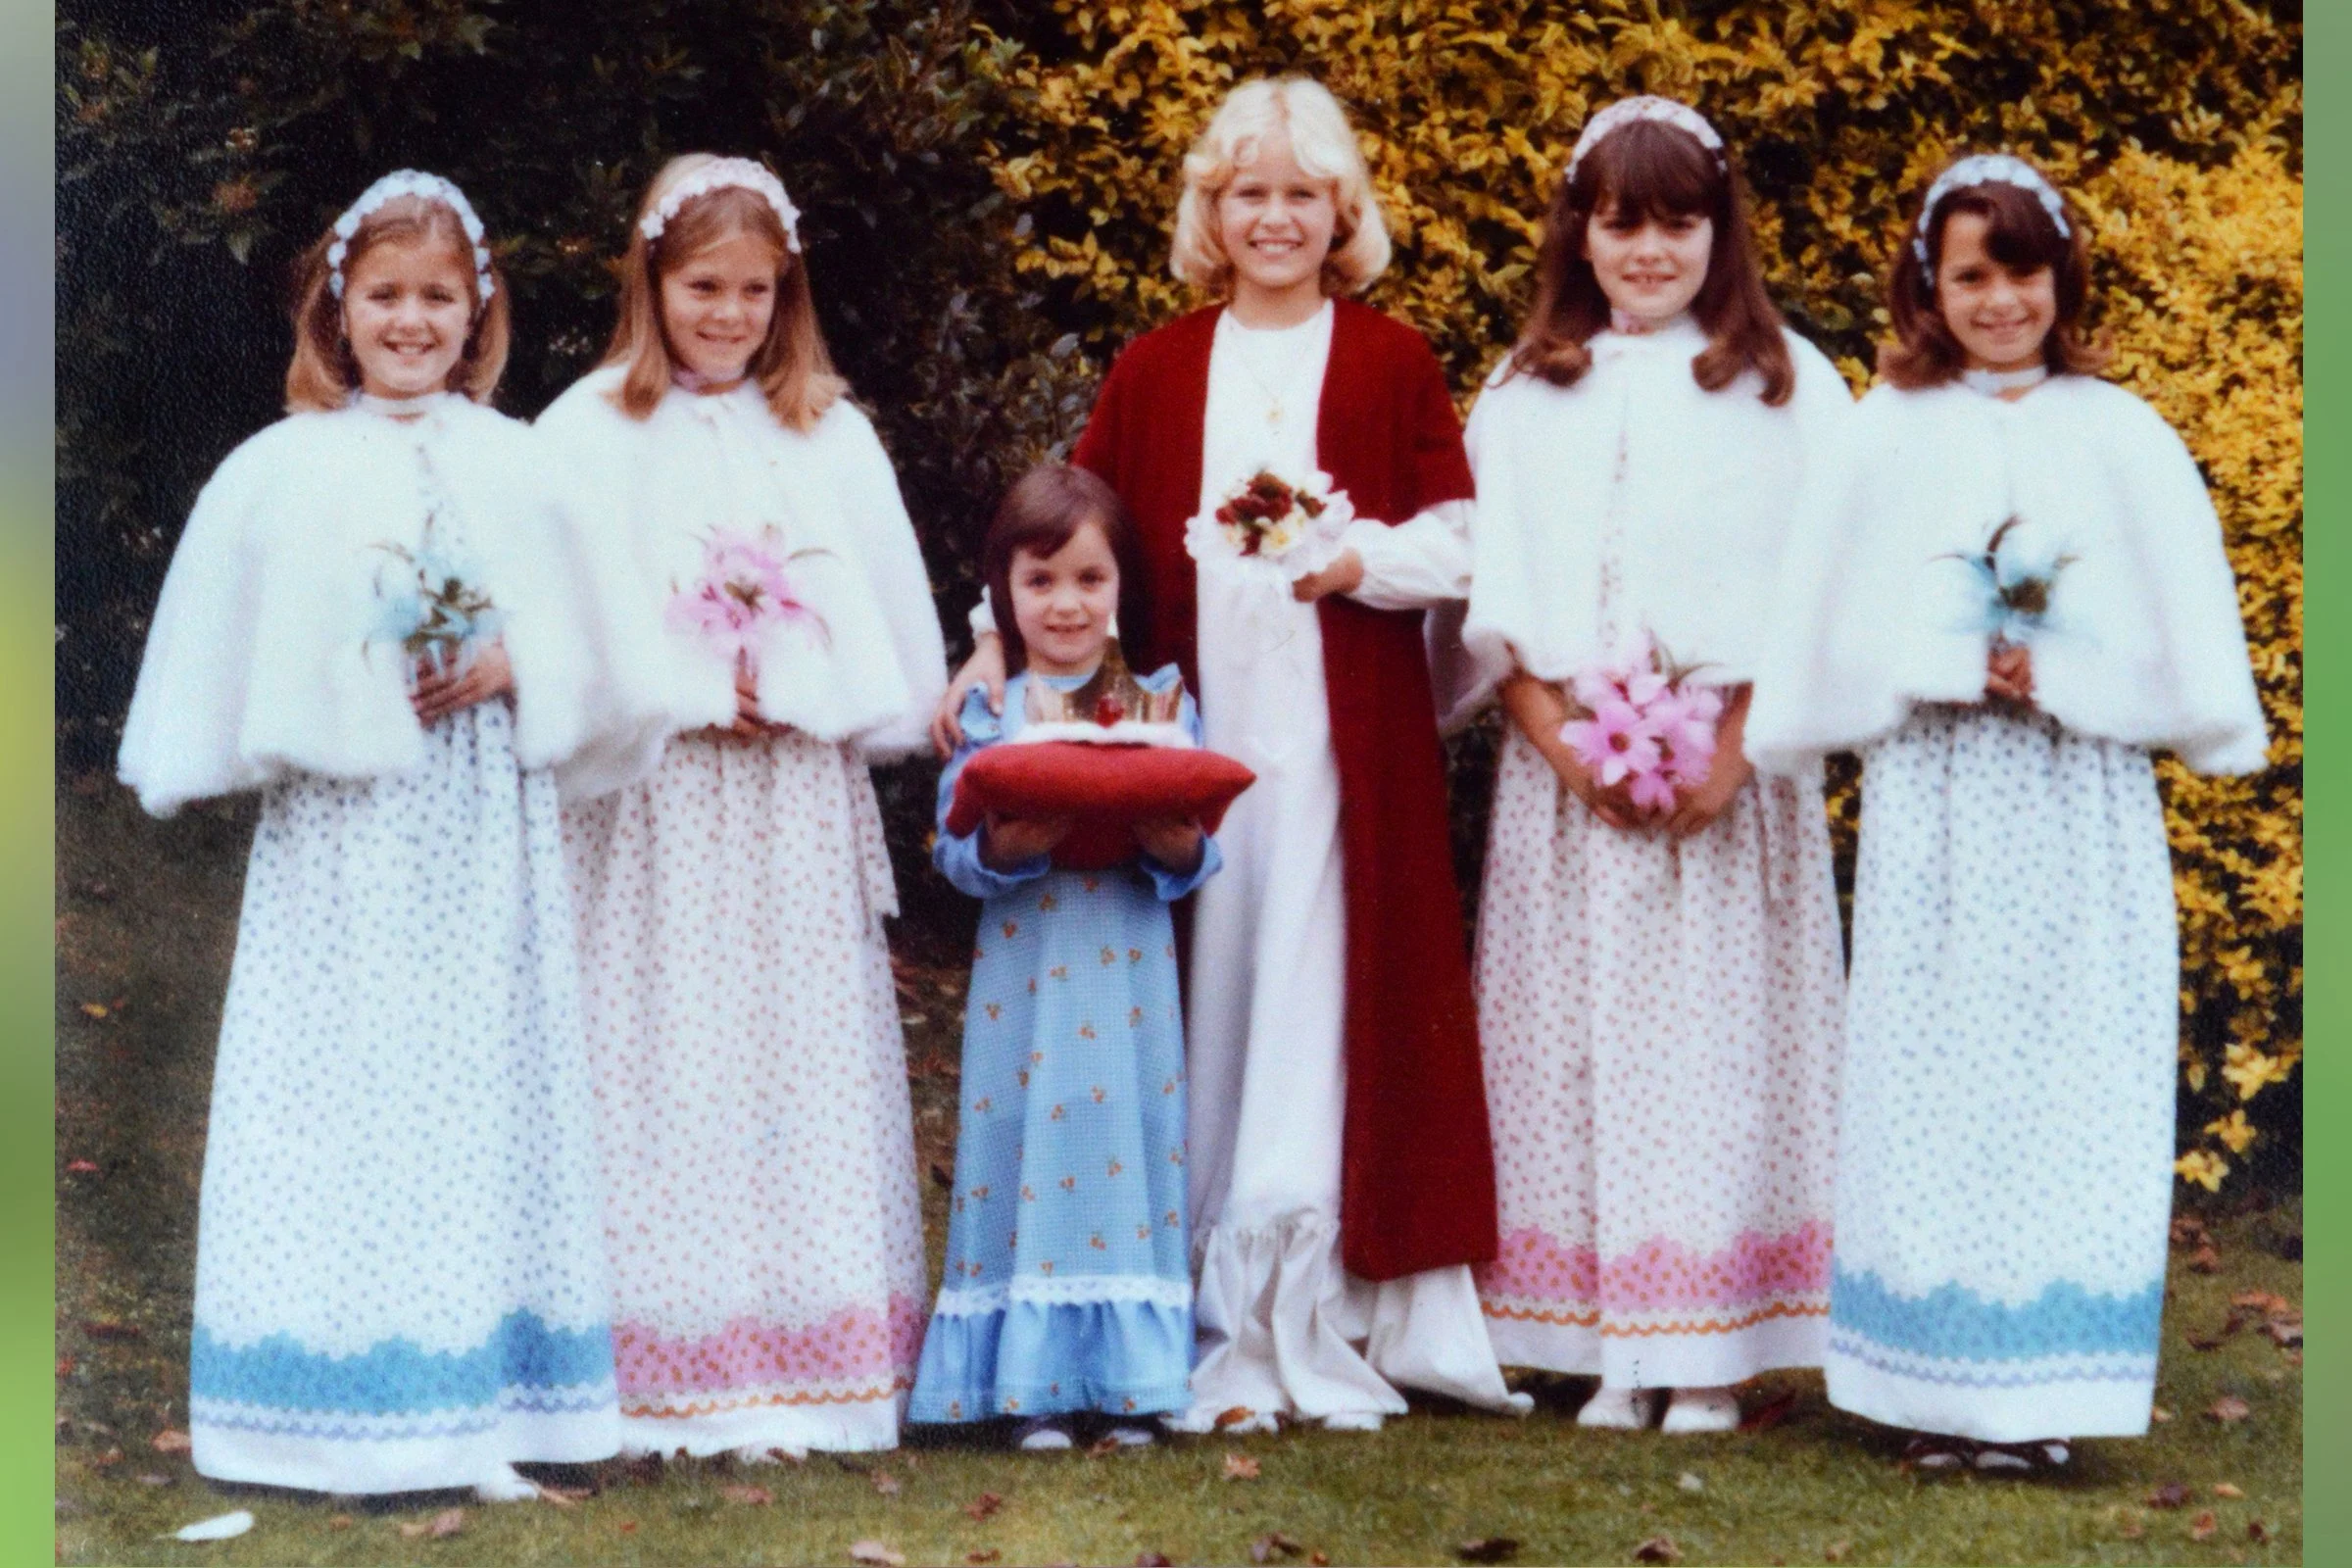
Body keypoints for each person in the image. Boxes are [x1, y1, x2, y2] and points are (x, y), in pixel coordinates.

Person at [936, 77, 1526, 1432]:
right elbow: (1071, 523)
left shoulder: (1388, 360)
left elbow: (1466, 537)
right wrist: (984, 642)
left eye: (1301, 194)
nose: (1275, 218)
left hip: (1337, 745)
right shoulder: (1161, 365)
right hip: (1182, 739)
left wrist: (1358, 559)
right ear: (1212, 212)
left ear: (1343, 213)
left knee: (1319, 992)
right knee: (1196, 988)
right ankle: (1177, 1296)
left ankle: (1312, 1304)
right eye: (1248, 193)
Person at [1746, 153, 2269, 1470]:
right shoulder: (1885, 430)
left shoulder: (2121, 433)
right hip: (1940, 802)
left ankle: (2042, 1404)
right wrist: (1937, 661)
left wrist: (2071, 672)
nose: (1998, 301)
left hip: (2075, 803)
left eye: (2021, 271)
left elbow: (2184, 636)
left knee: (2067, 1076)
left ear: (2061, 277)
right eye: (1971, 274)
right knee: (1938, 1071)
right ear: (1930, 281)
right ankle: (1936, 1391)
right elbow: (1829, 623)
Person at [118, 171, 634, 1498]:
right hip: (348, 848)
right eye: (385, 296)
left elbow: (609, 647)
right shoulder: (280, 468)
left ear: (479, 314)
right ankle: (340, 1394)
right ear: (338, 311)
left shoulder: (526, 466)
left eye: (438, 299)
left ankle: (490, 1391)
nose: (412, 321)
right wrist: (335, 686)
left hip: (486, 841)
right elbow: (226, 651)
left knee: (480, 1082)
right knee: (347, 1090)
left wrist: (525, 665)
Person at [536, 154, 947, 1459]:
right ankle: (659, 1361)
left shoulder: (829, 427)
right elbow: (557, 624)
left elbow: (890, 627)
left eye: (755, 290)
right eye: (702, 285)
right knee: (664, 1048)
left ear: (788, 295)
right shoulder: (589, 427)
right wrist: (674, 688)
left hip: (786, 810)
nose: (727, 313)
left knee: (793, 1054)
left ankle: (807, 1369)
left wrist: (807, 685)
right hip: (657, 811)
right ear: (650, 281)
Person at [1457, 97, 1852, 1434]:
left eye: (1678, 221)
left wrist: (1734, 750)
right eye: (1621, 221)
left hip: (1725, 791)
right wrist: (1562, 742)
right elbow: (1493, 591)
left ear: (1718, 230)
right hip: (1571, 781)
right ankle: (1607, 1344)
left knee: (1708, 1053)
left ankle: (1708, 1350)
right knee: (1576, 1053)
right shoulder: (1522, 393)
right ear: (1579, 228)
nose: (1648, 249)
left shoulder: (1782, 382)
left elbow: (1822, 593)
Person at [910, 465, 1221, 1449]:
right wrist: (1005, 844)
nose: (1068, 604)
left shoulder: (1163, 700)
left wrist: (1174, 842)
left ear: (1122, 584)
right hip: (1026, 978)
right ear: (1004, 592)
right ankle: (1032, 1383)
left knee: (1125, 1144)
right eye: (1041, 581)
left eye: (1090, 579)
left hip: (1129, 973)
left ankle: (1130, 1384)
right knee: (1030, 1148)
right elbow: (953, 854)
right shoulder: (990, 711)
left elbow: (1201, 844)